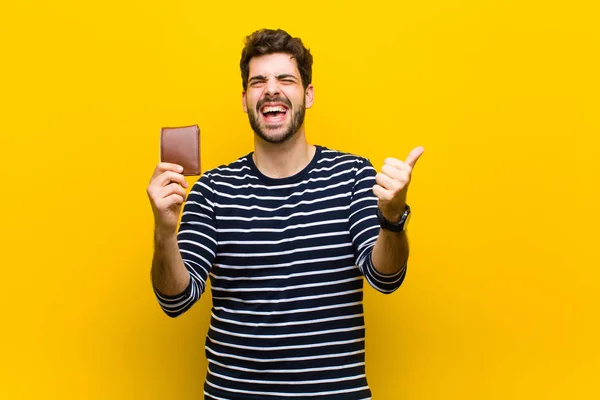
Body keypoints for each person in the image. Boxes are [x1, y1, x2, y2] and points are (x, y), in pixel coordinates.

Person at [147, 28, 424, 400]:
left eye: (285, 79)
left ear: (307, 95)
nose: (271, 89)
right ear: (245, 99)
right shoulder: (212, 191)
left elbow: (385, 278)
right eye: (258, 81)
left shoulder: (353, 176)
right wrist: (164, 233)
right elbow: (175, 301)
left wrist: (392, 218)